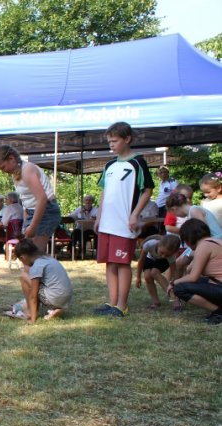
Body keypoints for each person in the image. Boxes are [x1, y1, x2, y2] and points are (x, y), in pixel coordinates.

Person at [92, 122, 154, 318]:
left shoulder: (137, 163)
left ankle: (122, 305)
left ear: (127, 139)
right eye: (109, 141)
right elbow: (104, 192)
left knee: (122, 263)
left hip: (124, 223)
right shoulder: (109, 165)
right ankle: (111, 303)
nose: (111, 144)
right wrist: (99, 217)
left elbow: (148, 190)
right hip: (106, 223)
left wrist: (135, 214)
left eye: (115, 141)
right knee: (109, 263)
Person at [0, 144, 62, 254]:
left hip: (46, 211)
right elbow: (26, 201)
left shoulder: (27, 170)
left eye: (3, 167)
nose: (3, 171)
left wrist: (33, 227)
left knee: (33, 254)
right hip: (32, 212)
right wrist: (26, 222)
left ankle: (45, 264)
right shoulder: (16, 174)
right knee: (27, 255)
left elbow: (42, 199)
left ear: (11, 158)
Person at [3, 239, 73, 324]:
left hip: (54, 298)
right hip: (66, 297)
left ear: (22, 258)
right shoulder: (49, 259)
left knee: (24, 277)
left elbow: (33, 296)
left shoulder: (37, 266)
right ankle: (55, 310)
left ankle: (30, 311)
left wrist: (32, 319)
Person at [169, 218, 222, 325]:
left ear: (188, 238)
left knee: (179, 288)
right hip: (218, 284)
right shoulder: (215, 242)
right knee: (191, 282)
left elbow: (193, 277)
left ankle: (218, 312)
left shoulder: (203, 246)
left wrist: (173, 283)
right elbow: (186, 266)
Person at [134, 234, 181, 309]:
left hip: (164, 261)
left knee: (154, 272)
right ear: (159, 244)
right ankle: (156, 302)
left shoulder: (169, 256)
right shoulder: (149, 244)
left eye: (167, 254)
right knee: (147, 275)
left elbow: (174, 271)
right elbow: (141, 261)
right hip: (150, 258)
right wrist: (138, 277)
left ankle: (174, 299)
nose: (163, 256)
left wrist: (173, 283)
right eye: (162, 252)